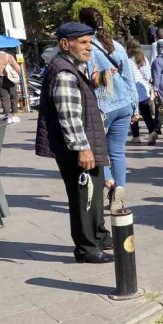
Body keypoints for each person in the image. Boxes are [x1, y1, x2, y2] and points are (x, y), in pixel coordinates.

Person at [34, 22, 113, 264]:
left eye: (90, 42)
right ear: (65, 44)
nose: (89, 47)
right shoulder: (64, 72)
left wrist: (93, 83)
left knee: (93, 194)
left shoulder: (72, 68)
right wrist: (83, 148)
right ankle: (87, 249)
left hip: (87, 143)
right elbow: (68, 116)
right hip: (78, 148)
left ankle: (98, 236)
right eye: (83, 42)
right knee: (84, 198)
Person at [79, 8, 138, 205]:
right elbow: (129, 78)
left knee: (97, 152)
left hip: (102, 107)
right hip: (124, 103)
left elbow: (86, 80)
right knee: (117, 153)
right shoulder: (116, 45)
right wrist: (135, 107)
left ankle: (110, 185)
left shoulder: (85, 49)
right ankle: (118, 197)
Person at [126, 38, 160, 146]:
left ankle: (136, 136)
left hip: (132, 91)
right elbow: (148, 76)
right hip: (143, 90)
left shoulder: (127, 60)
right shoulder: (143, 59)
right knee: (146, 114)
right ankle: (151, 132)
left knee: (134, 114)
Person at [0, 49, 21, 123]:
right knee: (13, 96)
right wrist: (18, 74)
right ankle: (14, 115)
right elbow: (17, 68)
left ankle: (7, 115)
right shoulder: (8, 56)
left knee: (4, 98)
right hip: (10, 79)